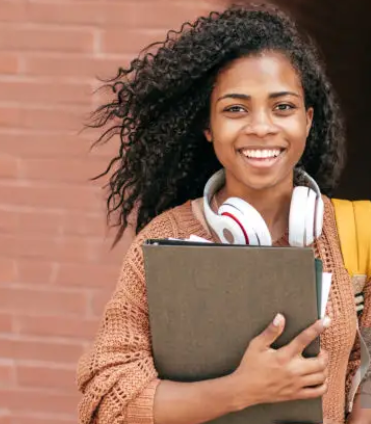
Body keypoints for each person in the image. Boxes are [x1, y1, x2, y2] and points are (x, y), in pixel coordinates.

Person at [76, 3, 371, 424]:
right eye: (236, 109)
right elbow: (108, 400)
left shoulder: (357, 232)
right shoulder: (166, 241)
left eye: (282, 107)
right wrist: (242, 390)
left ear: (308, 121)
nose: (261, 127)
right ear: (209, 127)